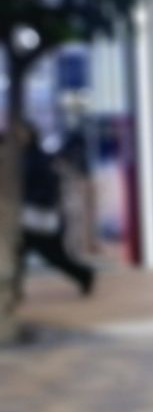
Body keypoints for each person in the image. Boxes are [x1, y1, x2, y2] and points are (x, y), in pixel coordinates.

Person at [13, 120, 95, 298]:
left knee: (54, 256)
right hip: (28, 217)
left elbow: (47, 187)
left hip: (38, 218)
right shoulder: (23, 157)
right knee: (18, 253)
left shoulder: (38, 158)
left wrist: (33, 200)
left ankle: (83, 275)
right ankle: (14, 289)